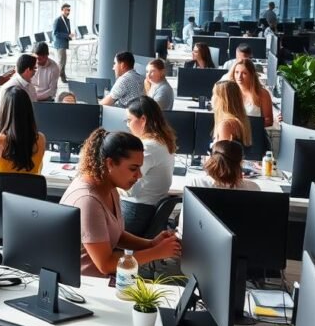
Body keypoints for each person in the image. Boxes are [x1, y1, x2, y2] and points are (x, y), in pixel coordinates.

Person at [59, 129, 181, 277]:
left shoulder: (109, 188)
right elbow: (106, 264)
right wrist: (156, 252)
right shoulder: (88, 201)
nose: (139, 175)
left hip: (101, 281)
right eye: (133, 168)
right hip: (84, 289)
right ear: (110, 163)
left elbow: (115, 235)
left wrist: (151, 244)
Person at [121, 98, 176, 236]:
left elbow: (129, 190)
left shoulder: (147, 148)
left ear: (143, 119)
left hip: (135, 215)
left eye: (129, 120)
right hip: (145, 212)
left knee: (85, 224)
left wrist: (110, 181)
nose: (128, 125)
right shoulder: (163, 142)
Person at [184, 140, 258, 191]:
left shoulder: (196, 184)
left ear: (211, 159)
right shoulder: (253, 188)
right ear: (241, 162)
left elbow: (186, 214)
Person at [232, 59, 273, 127]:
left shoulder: (262, 94)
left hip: (253, 133)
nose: (239, 77)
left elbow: (269, 120)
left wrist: (245, 126)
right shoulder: (230, 91)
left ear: (251, 75)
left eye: (244, 73)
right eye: (236, 72)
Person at [211, 81, 252, 146]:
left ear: (223, 100)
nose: (212, 98)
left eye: (215, 95)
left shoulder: (226, 125)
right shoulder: (241, 121)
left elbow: (224, 155)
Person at [53, 3, 73, 83]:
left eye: (69, 10)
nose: (67, 12)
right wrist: (67, 35)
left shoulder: (67, 20)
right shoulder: (58, 20)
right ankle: (58, 78)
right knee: (61, 62)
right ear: (62, 10)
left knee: (63, 61)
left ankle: (63, 75)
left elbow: (67, 31)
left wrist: (69, 35)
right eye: (66, 10)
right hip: (59, 43)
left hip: (64, 42)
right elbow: (55, 33)